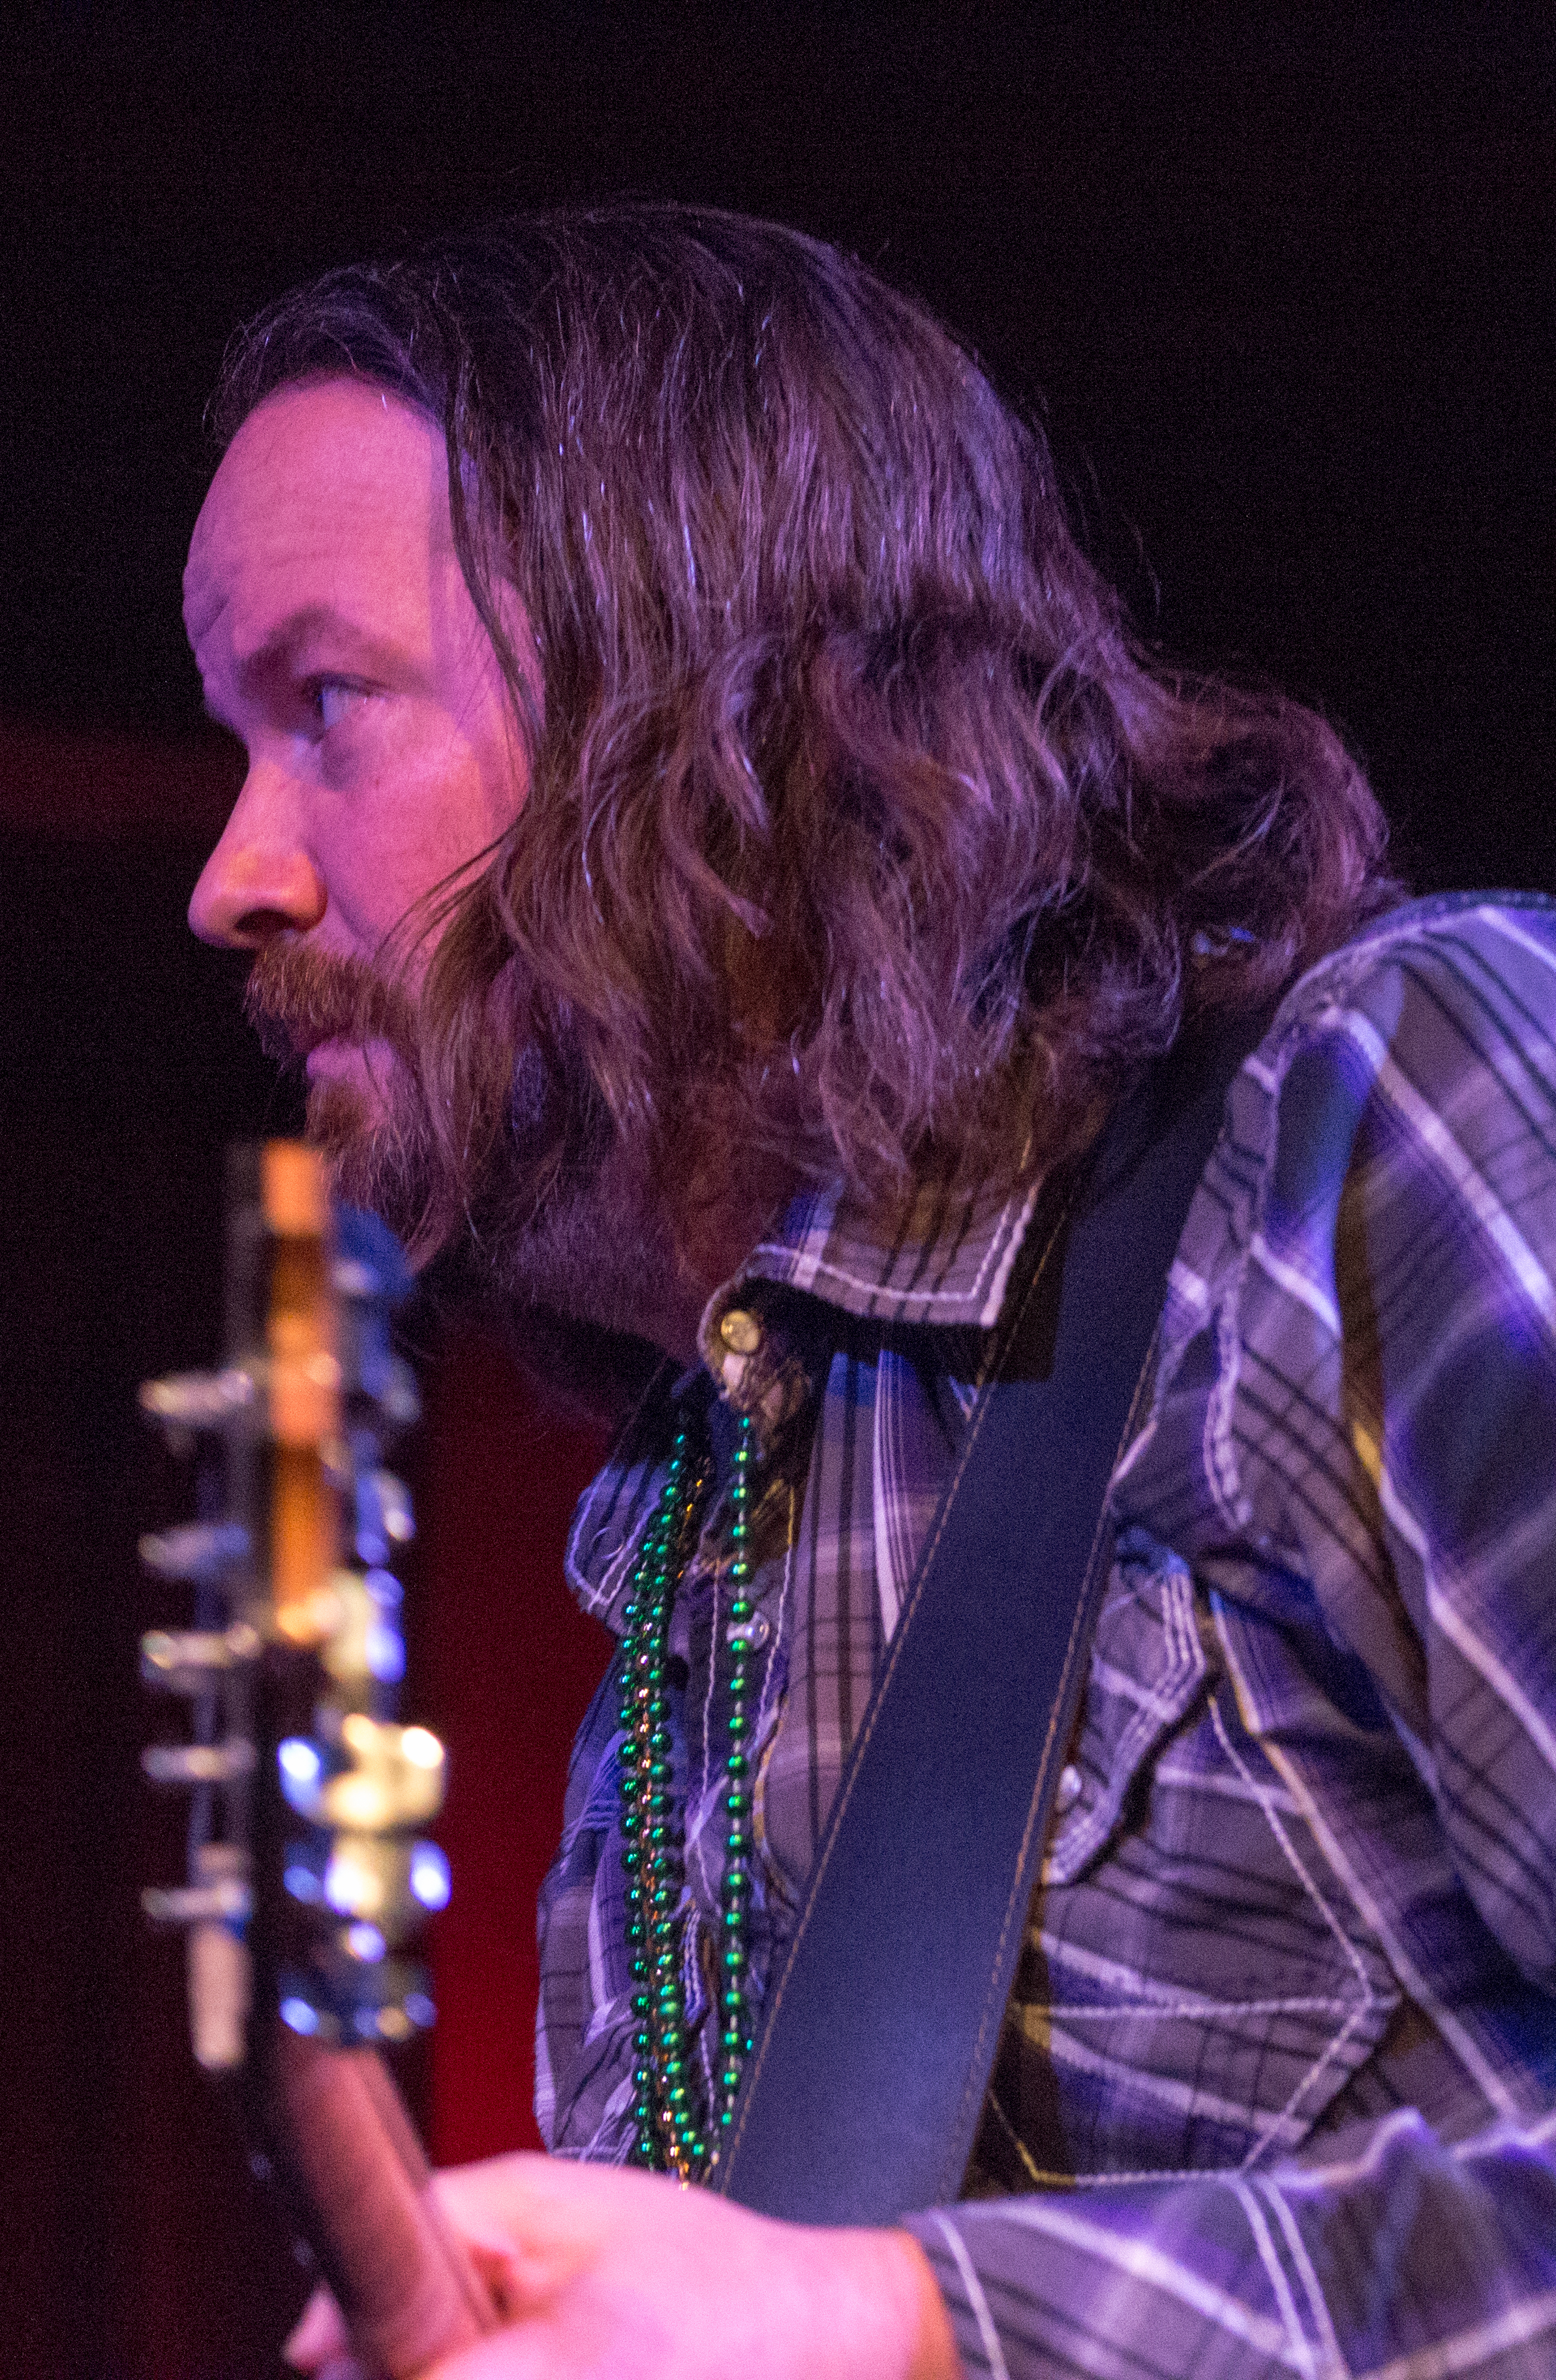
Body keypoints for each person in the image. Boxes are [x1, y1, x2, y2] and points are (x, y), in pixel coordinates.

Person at [183, 206, 1556, 2379]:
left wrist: (891, 2320)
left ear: (688, 695)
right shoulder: (696, 1544)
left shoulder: (1379, 1124)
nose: (230, 874)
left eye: (325, 707)